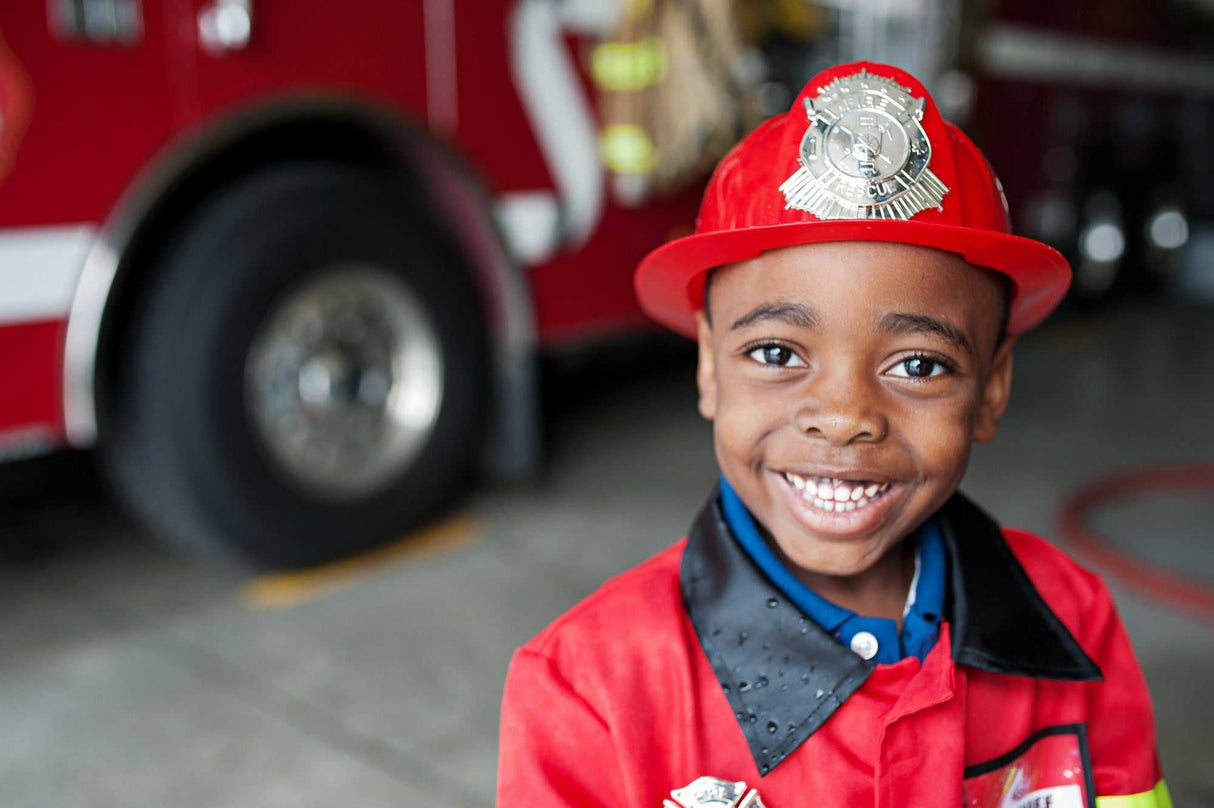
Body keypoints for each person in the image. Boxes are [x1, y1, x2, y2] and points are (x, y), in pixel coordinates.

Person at [496, 61, 1169, 808]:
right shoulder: (589, 690)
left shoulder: (1073, 621)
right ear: (709, 370)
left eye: (919, 364)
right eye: (777, 354)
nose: (846, 415)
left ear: (992, 388)